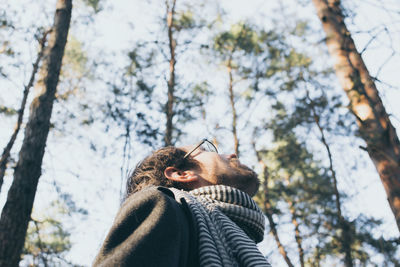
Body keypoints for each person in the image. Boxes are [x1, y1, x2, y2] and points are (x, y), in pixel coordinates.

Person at [93, 139, 271, 267]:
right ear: (182, 174)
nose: (231, 154)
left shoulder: (243, 241)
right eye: (208, 150)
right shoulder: (162, 204)